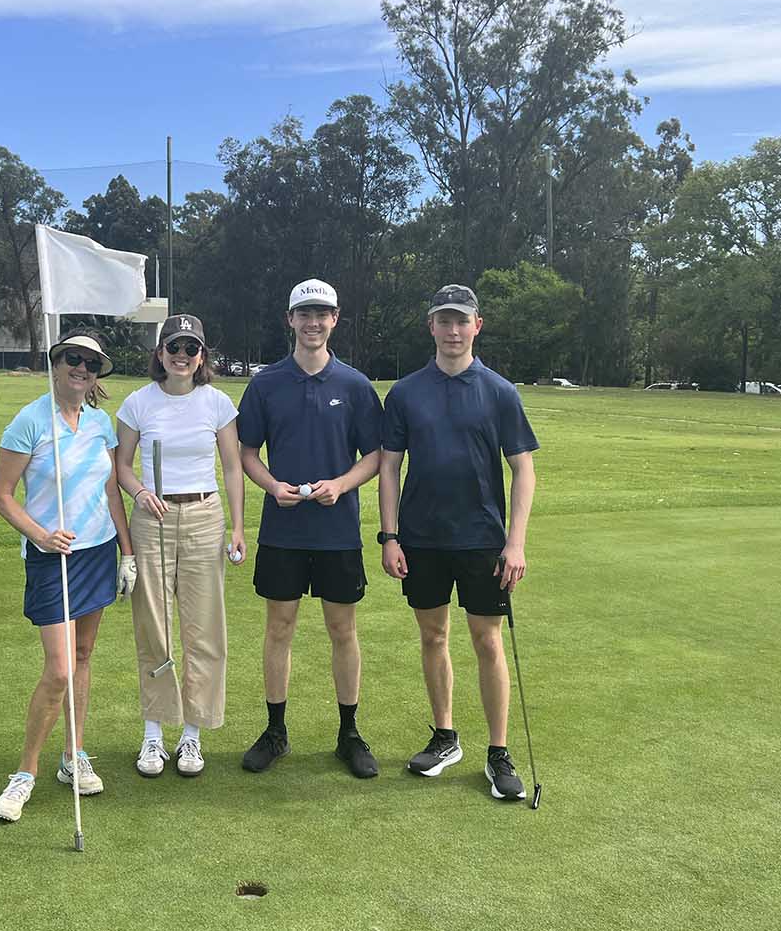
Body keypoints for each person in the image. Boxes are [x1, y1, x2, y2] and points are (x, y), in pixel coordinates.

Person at [377, 284, 539, 800]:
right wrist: (390, 535)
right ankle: (445, 737)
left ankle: (498, 752)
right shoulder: (405, 392)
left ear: (476, 326)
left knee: (488, 642)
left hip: (482, 540)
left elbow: (523, 469)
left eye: (460, 321)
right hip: (422, 538)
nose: (452, 331)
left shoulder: (499, 391)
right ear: (431, 327)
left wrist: (515, 543)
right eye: (443, 321)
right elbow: (388, 468)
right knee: (433, 638)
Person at [236, 278, 383, 778]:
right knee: (279, 627)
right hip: (284, 529)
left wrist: (341, 484)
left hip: (338, 530)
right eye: (305, 314)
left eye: (322, 314)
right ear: (290, 320)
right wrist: (272, 485)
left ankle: (349, 733)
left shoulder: (356, 385)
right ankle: (276, 732)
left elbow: (377, 456)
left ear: (335, 319)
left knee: (343, 629)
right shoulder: (267, 383)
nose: (313, 322)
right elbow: (247, 453)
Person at [0, 330, 137, 821]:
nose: (82, 369)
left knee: (83, 655)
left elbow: (112, 492)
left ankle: (74, 756)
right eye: (73, 359)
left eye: (91, 364)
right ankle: (25, 772)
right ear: (56, 364)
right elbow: (2, 495)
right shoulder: (29, 422)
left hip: (97, 552)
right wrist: (41, 534)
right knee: (58, 669)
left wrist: (127, 552)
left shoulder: (99, 425)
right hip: (52, 556)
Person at [114, 314, 247, 778]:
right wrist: (139, 492)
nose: (182, 357)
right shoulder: (137, 403)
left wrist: (237, 527)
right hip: (152, 518)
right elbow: (123, 466)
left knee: (203, 629)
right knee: (155, 625)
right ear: (160, 353)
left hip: (204, 517)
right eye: (174, 348)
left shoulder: (217, 403)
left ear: (202, 356)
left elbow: (232, 467)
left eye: (191, 349)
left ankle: (192, 735)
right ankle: (154, 734)